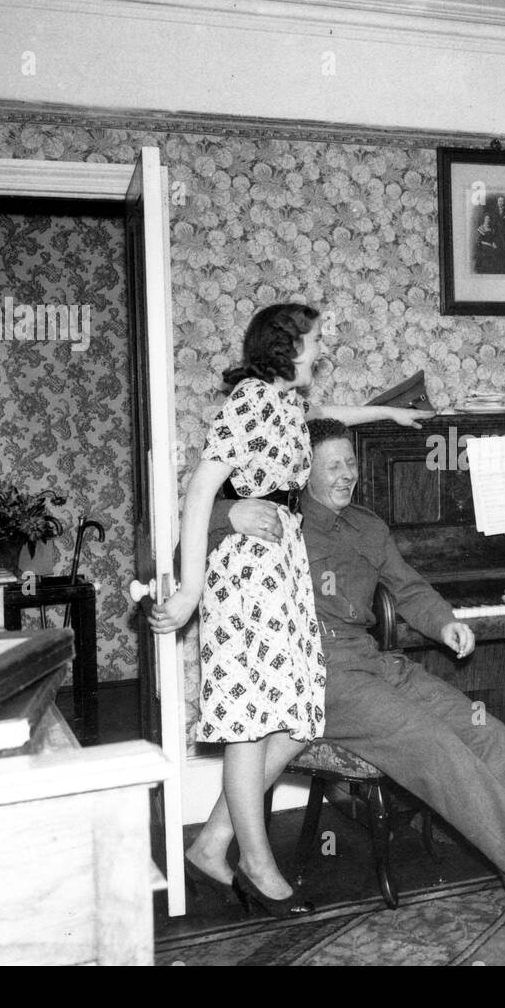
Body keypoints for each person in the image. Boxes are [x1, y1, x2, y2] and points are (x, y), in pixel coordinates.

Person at [193, 419, 505, 931]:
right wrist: (230, 510)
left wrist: (445, 623)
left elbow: (408, 587)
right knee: (432, 744)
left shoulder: (370, 525)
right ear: (304, 472)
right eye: (333, 466)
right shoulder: (279, 518)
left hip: (374, 661)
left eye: (351, 463)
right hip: (319, 674)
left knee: (488, 730)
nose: (347, 474)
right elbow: (187, 531)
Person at [151, 303, 429, 915]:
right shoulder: (249, 402)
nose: (319, 351)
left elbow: (333, 414)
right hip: (247, 578)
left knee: (298, 717)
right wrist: (190, 588)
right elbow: (198, 493)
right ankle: (256, 861)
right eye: (314, 342)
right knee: (253, 722)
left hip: (284, 574)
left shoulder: (287, 406)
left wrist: (387, 411)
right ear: (284, 345)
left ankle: (215, 841)